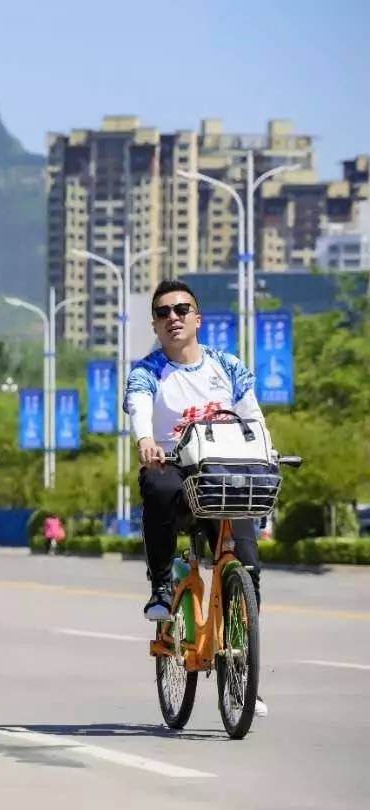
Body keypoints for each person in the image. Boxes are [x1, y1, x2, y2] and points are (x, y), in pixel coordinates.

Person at [124, 279, 269, 715]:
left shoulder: (227, 365)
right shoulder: (146, 371)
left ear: (197, 318)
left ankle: (244, 672)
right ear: (155, 323)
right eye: (165, 312)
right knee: (158, 485)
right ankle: (163, 585)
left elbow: (252, 415)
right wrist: (147, 441)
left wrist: (266, 449)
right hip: (175, 471)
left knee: (246, 565)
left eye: (182, 310)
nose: (174, 318)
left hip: (224, 476)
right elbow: (139, 408)